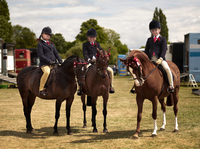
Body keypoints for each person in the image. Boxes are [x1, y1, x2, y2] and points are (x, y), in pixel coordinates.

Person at [77, 28, 115, 95]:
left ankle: (111, 86)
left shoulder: (98, 44)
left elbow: (100, 52)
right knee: (82, 71)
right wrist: (89, 60)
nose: (92, 38)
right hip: (89, 62)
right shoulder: (85, 44)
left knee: (111, 71)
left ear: (95, 37)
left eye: (93, 37)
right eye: (91, 37)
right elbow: (85, 53)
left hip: (98, 62)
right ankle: (80, 88)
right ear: (88, 37)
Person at [144, 20, 174, 93]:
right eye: (153, 30)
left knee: (167, 68)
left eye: (156, 30)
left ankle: (171, 85)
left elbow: (164, 49)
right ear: (151, 31)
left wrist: (161, 58)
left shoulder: (163, 39)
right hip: (150, 59)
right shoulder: (149, 40)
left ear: (159, 29)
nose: (154, 32)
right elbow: (146, 50)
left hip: (160, 59)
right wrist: (145, 59)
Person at [37, 26, 63, 96]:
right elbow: (41, 55)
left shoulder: (51, 44)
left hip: (54, 63)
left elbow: (56, 53)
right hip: (45, 64)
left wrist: (60, 60)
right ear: (42, 34)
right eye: (46, 34)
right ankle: (41, 89)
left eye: (49, 35)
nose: (48, 35)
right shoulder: (40, 44)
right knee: (47, 72)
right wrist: (49, 61)